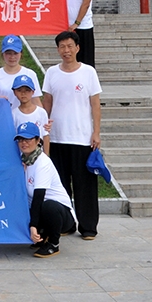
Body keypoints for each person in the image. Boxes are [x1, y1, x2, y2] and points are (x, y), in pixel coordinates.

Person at [41, 30, 102, 240]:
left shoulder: (88, 72)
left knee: (84, 186)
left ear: (77, 48)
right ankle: (66, 224)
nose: (66, 51)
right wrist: (42, 129)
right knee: (60, 186)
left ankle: (88, 227)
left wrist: (96, 132)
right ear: (58, 49)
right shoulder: (51, 73)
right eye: (62, 47)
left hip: (82, 138)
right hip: (57, 138)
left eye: (69, 46)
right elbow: (47, 102)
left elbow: (95, 104)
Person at [14, 121, 76, 258]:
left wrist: (33, 226)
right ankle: (42, 236)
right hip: (39, 209)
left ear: (37, 141)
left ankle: (53, 244)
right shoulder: (23, 160)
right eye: (20, 139)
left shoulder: (42, 163)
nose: (24, 143)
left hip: (60, 214)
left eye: (28, 139)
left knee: (49, 205)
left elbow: (39, 197)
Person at [0, 35, 41, 109]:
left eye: (15, 53)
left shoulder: (30, 74)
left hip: (25, 119)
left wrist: (43, 117)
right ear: (2, 54)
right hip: (4, 118)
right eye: (8, 53)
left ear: (21, 53)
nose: (12, 57)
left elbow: (36, 100)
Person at [11, 74, 50, 155]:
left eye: (27, 90)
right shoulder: (13, 114)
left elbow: (45, 136)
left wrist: (46, 156)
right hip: (21, 157)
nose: (23, 93)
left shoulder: (41, 112)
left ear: (33, 92)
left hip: (38, 155)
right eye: (19, 90)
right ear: (14, 92)